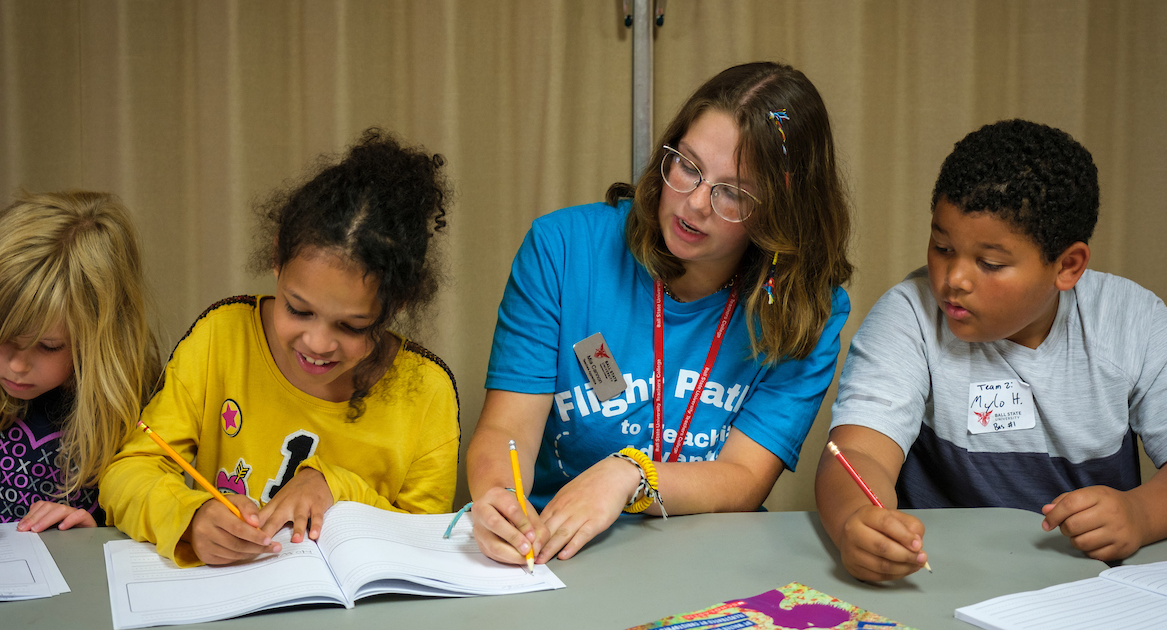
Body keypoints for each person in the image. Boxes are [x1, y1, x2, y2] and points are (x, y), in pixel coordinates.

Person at [468, 61, 853, 567]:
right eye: (688, 166)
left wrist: (631, 475)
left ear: (783, 212)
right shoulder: (563, 249)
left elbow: (742, 478)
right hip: (556, 552)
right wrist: (498, 499)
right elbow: (505, 430)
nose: (693, 204)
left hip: (706, 563)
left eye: (733, 192)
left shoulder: (807, 308)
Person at [816, 119, 1167, 582]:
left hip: (1091, 588)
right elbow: (857, 454)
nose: (953, 279)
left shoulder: (1130, 319)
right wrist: (856, 521)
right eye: (942, 246)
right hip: (945, 582)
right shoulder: (910, 317)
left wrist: (1141, 514)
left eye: (990, 263)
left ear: (1068, 266)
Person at [100, 128, 460, 566]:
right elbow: (125, 475)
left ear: (396, 304)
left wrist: (336, 487)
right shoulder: (222, 338)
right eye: (298, 309)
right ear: (277, 258)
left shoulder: (427, 391)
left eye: (351, 325)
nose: (317, 343)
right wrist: (190, 516)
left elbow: (427, 540)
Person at [0, 192, 161, 531]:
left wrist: (92, 535)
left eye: (47, 346)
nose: (16, 365)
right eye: (3, 339)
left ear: (97, 342)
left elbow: (142, 523)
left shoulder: (138, 407)